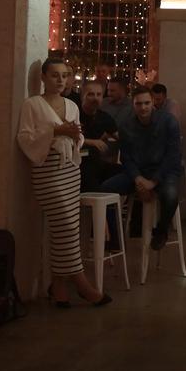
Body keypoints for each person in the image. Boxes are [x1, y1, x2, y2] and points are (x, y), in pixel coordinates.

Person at [17, 58, 110, 308]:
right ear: (43, 77)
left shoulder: (71, 105)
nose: (60, 80)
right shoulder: (32, 104)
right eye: (55, 75)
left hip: (70, 169)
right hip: (47, 170)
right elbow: (25, 138)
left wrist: (75, 136)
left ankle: (58, 287)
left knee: (65, 230)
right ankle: (82, 284)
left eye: (64, 75)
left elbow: (78, 137)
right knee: (66, 225)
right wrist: (56, 132)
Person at [100, 84, 183, 253]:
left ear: (153, 102)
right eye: (139, 104)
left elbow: (172, 156)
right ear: (133, 104)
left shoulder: (168, 121)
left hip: (164, 172)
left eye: (146, 103)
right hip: (139, 173)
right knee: (104, 190)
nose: (143, 107)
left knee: (171, 195)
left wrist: (153, 182)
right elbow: (126, 158)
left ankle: (161, 231)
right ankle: (116, 239)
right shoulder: (126, 126)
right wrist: (139, 180)